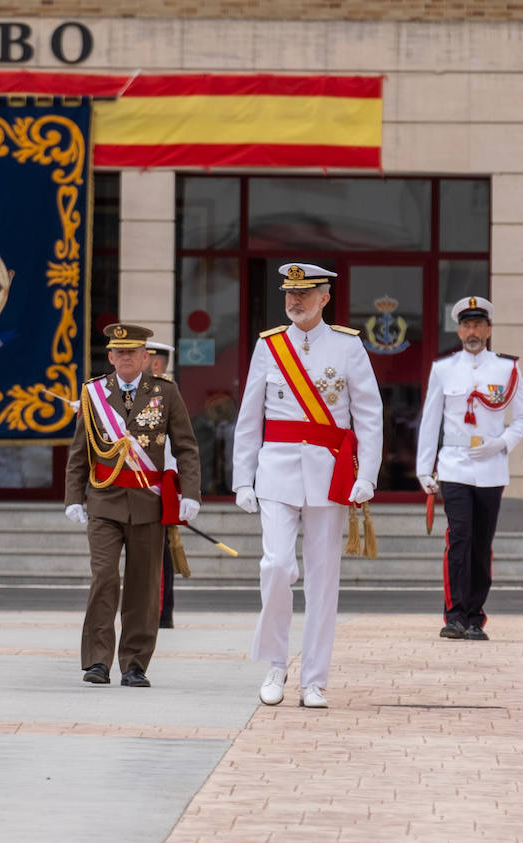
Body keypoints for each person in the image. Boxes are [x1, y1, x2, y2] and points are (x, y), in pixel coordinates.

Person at [231, 263, 383, 709]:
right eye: (289, 294)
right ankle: (275, 664)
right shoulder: (269, 346)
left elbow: (369, 415)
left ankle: (314, 679)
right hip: (276, 470)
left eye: (305, 294)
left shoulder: (348, 347)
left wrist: (367, 475)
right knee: (276, 566)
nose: (295, 301)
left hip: (329, 474)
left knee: (323, 580)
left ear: (325, 298)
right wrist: (243, 478)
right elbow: (249, 416)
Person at [65, 323, 201, 688]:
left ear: (147, 358)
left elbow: (186, 446)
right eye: (118, 352)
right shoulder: (93, 394)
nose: (125, 358)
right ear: (110, 357)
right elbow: (81, 452)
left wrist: (190, 493)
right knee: (105, 578)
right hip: (105, 503)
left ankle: (135, 664)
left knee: (143, 586)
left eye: (133, 352)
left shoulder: (166, 394)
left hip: (148, 505)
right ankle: (97, 661)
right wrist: (73, 498)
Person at [415, 297, 523, 641]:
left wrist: (502, 443)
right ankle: (454, 616)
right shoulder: (444, 368)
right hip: (454, 466)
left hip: (491, 466)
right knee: (459, 538)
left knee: (481, 544)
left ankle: (475, 616)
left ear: (489, 329)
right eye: (466, 325)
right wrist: (425, 468)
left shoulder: (507, 368)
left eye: (479, 325)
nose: (472, 331)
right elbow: (430, 419)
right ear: (459, 329)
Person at [145, 341, 181, 630]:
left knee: (162, 549)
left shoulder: (163, 392)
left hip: (162, 475)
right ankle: (158, 610)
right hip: (143, 475)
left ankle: (162, 611)